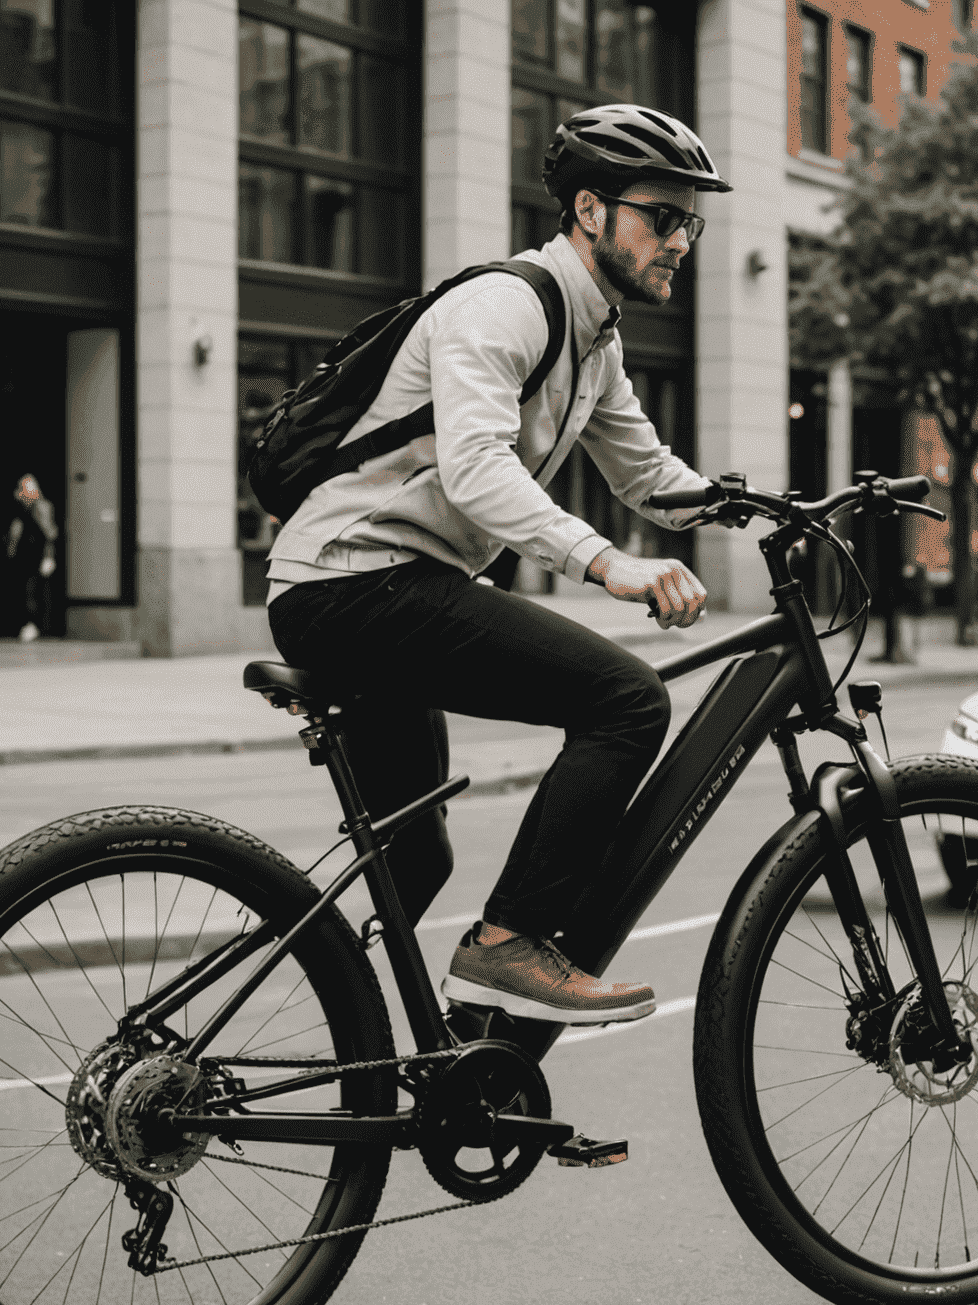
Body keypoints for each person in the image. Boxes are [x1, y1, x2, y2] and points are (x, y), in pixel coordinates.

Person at [264, 103, 731, 1027]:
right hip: (356, 582)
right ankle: (509, 943)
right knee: (627, 702)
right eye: (663, 217)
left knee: (416, 856)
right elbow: (479, 468)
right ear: (591, 209)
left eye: (692, 222)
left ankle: (365, 1045)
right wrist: (607, 565)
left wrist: (769, 510)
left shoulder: (595, 337)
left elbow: (646, 475)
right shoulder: (505, 308)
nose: (682, 240)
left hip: (389, 587)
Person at [6, 473, 58, 642]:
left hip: (36, 555)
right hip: (27, 555)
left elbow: (49, 533)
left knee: (34, 590)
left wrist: (49, 557)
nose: (19, 494)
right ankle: (33, 624)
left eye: (22, 490)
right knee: (29, 590)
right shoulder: (25, 509)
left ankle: (36, 624)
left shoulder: (40, 507)